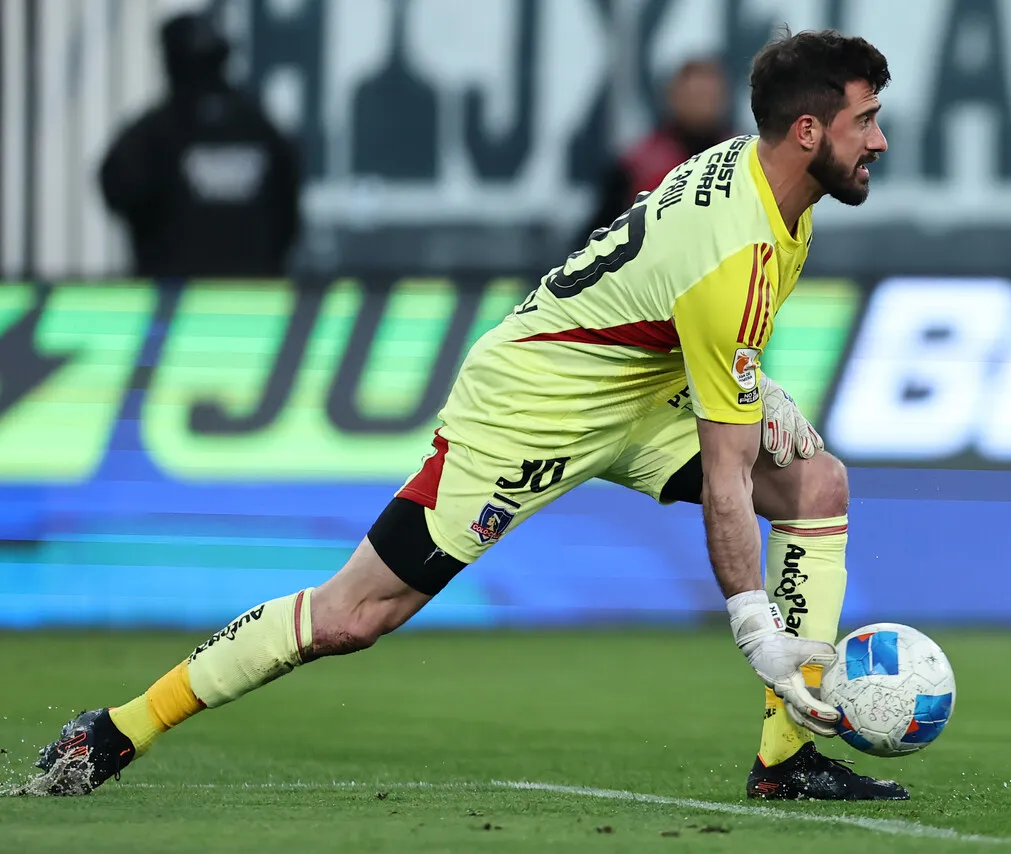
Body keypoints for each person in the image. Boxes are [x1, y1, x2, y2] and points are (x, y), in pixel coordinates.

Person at [32, 29, 896, 802]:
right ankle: (118, 727)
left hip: (632, 389)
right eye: (866, 122)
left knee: (816, 483)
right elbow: (724, 475)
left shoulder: (762, 179)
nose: (880, 141)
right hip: (531, 408)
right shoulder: (738, 249)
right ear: (808, 131)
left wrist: (748, 374)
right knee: (351, 617)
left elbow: (685, 303)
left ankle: (786, 762)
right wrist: (757, 631)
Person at [98, 12, 301, 278]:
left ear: (170, 60)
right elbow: (289, 218)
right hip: (253, 303)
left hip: (172, 302)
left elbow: (117, 191)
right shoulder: (262, 129)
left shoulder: (153, 133)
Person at [577, 58, 732, 245]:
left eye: (709, 98)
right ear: (673, 98)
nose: (702, 106)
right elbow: (598, 240)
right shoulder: (636, 166)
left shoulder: (744, 159)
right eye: (693, 97)